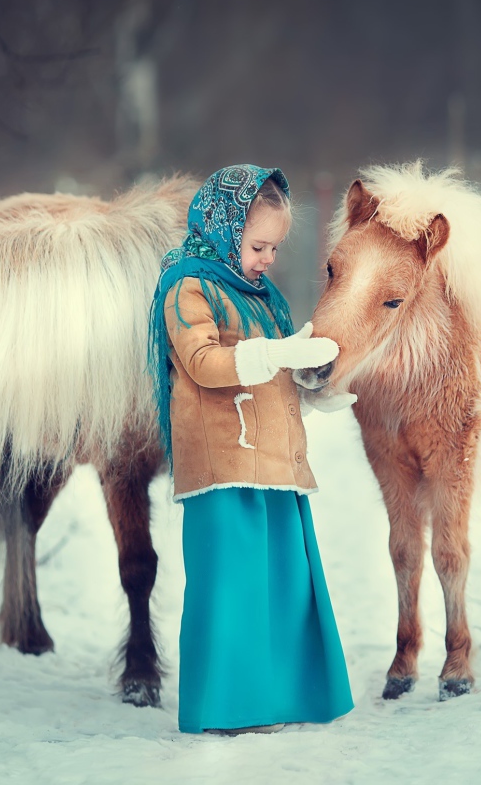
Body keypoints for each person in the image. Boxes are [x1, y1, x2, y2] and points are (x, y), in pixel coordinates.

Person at [148, 164, 355, 735]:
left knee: (287, 585)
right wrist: (277, 355)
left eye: (274, 247)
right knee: (233, 589)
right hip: (224, 468)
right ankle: (228, 707)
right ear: (223, 225)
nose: (267, 258)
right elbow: (204, 363)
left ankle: (288, 696)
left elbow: (275, 371)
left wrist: (314, 389)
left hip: (276, 466)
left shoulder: (263, 298)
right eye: (258, 245)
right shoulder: (187, 286)